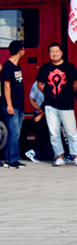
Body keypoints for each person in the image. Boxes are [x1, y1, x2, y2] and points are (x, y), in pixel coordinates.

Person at [36, 42, 77, 167]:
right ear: (49, 54)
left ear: (61, 53)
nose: (54, 54)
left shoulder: (69, 66)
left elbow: (76, 83)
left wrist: (67, 94)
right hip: (50, 105)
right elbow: (39, 84)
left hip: (66, 105)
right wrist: (49, 93)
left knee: (71, 131)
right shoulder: (45, 68)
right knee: (54, 133)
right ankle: (60, 157)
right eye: (52, 52)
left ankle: (76, 157)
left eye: (56, 51)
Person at [2, 40, 26, 168]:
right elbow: (6, 87)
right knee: (14, 133)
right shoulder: (8, 66)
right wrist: (9, 105)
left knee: (16, 133)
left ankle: (10, 158)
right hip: (12, 105)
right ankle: (12, 160)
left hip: (19, 104)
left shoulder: (17, 65)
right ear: (20, 50)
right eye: (23, 48)